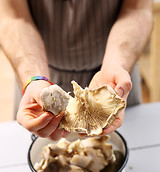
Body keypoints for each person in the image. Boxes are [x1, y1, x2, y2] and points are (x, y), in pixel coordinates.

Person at [0, 0, 152, 140]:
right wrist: (34, 79)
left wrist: (117, 64)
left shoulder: (116, 76)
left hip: (115, 78)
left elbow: (137, 8)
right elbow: (14, 17)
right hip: (37, 71)